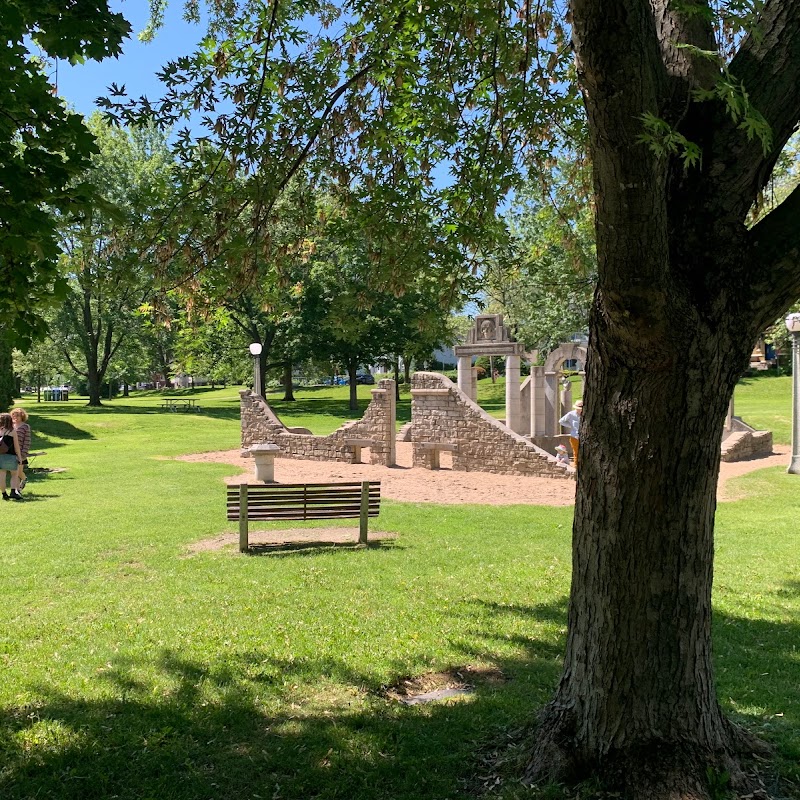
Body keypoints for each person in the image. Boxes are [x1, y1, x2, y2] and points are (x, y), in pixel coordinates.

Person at [0, 412, 23, 501]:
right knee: (14, 474)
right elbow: (16, 446)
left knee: (2, 475)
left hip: (0, 456)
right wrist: (20, 457)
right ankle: (13, 492)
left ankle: (4, 493)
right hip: (11, 456)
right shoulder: (12, 431)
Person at [11, 408, 30, 491]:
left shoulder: (25, 427)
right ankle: (17, 490)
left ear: (22, 416)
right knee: (14, 472)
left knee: (18, 471)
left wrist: (23, 453)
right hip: (11, 452)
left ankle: (24, 479)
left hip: (21, 452)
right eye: (13, 416)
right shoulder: (10, 426)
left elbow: (27, 441)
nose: (15, 417)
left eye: (17, 416)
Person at [559, 399, 583, 467]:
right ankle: (576, 465)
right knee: (576, 452)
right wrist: (570, 425)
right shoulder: (571, 414)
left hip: (584, 436)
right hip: (574, 436)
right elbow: (561, 421)